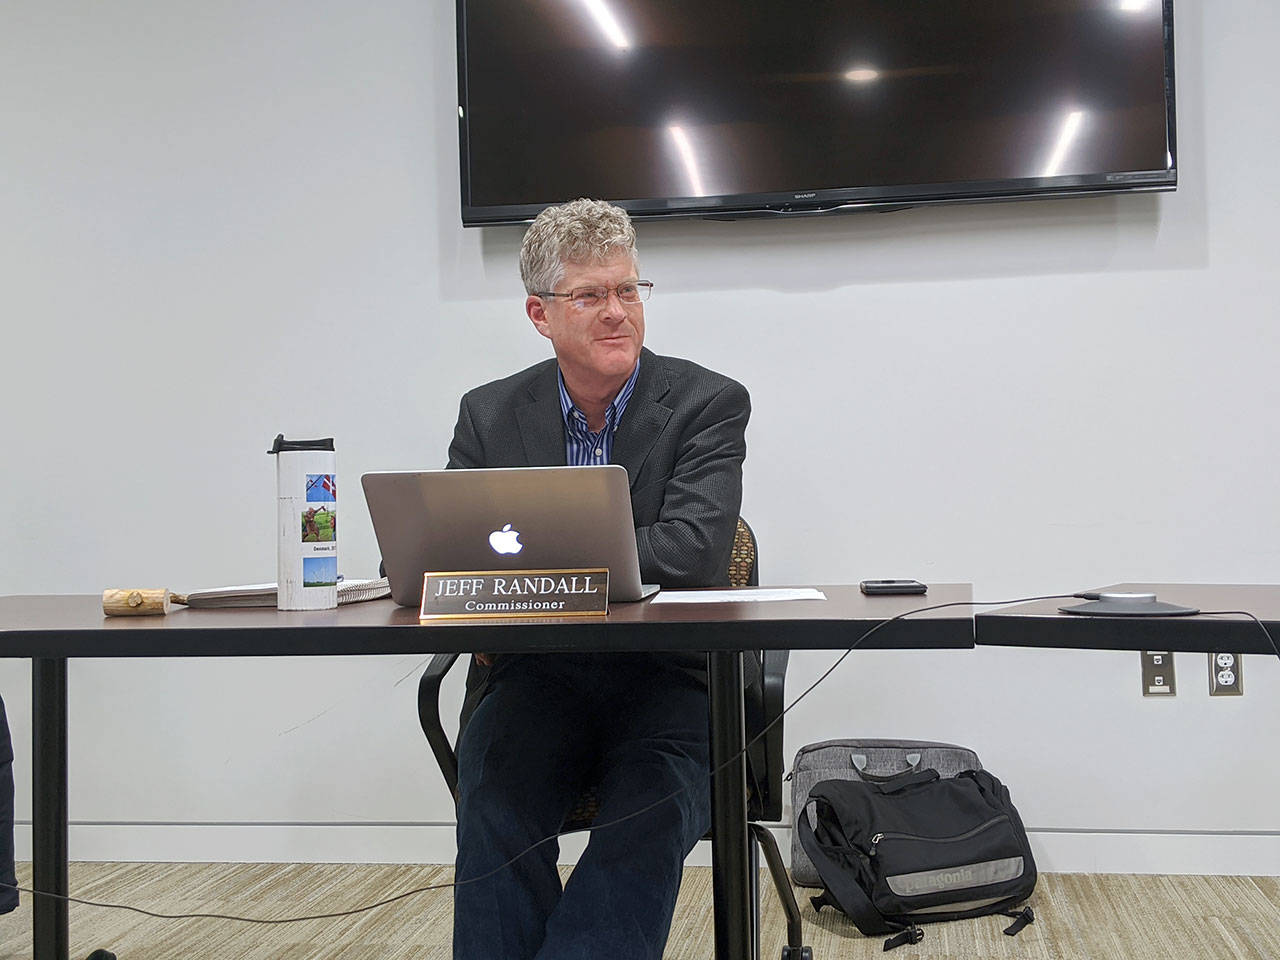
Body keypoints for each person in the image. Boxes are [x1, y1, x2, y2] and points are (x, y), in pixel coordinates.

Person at [447, 198, 750, 960]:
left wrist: (533, 563)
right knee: (493, 802)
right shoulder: (489, 415)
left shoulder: (708, 404)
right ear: (540, 314)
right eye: (590, 295)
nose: (618, 311)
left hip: (668, 682)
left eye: (628, 289)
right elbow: (441, 553)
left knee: (645, 818)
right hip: (536, 677)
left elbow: (693, 552)